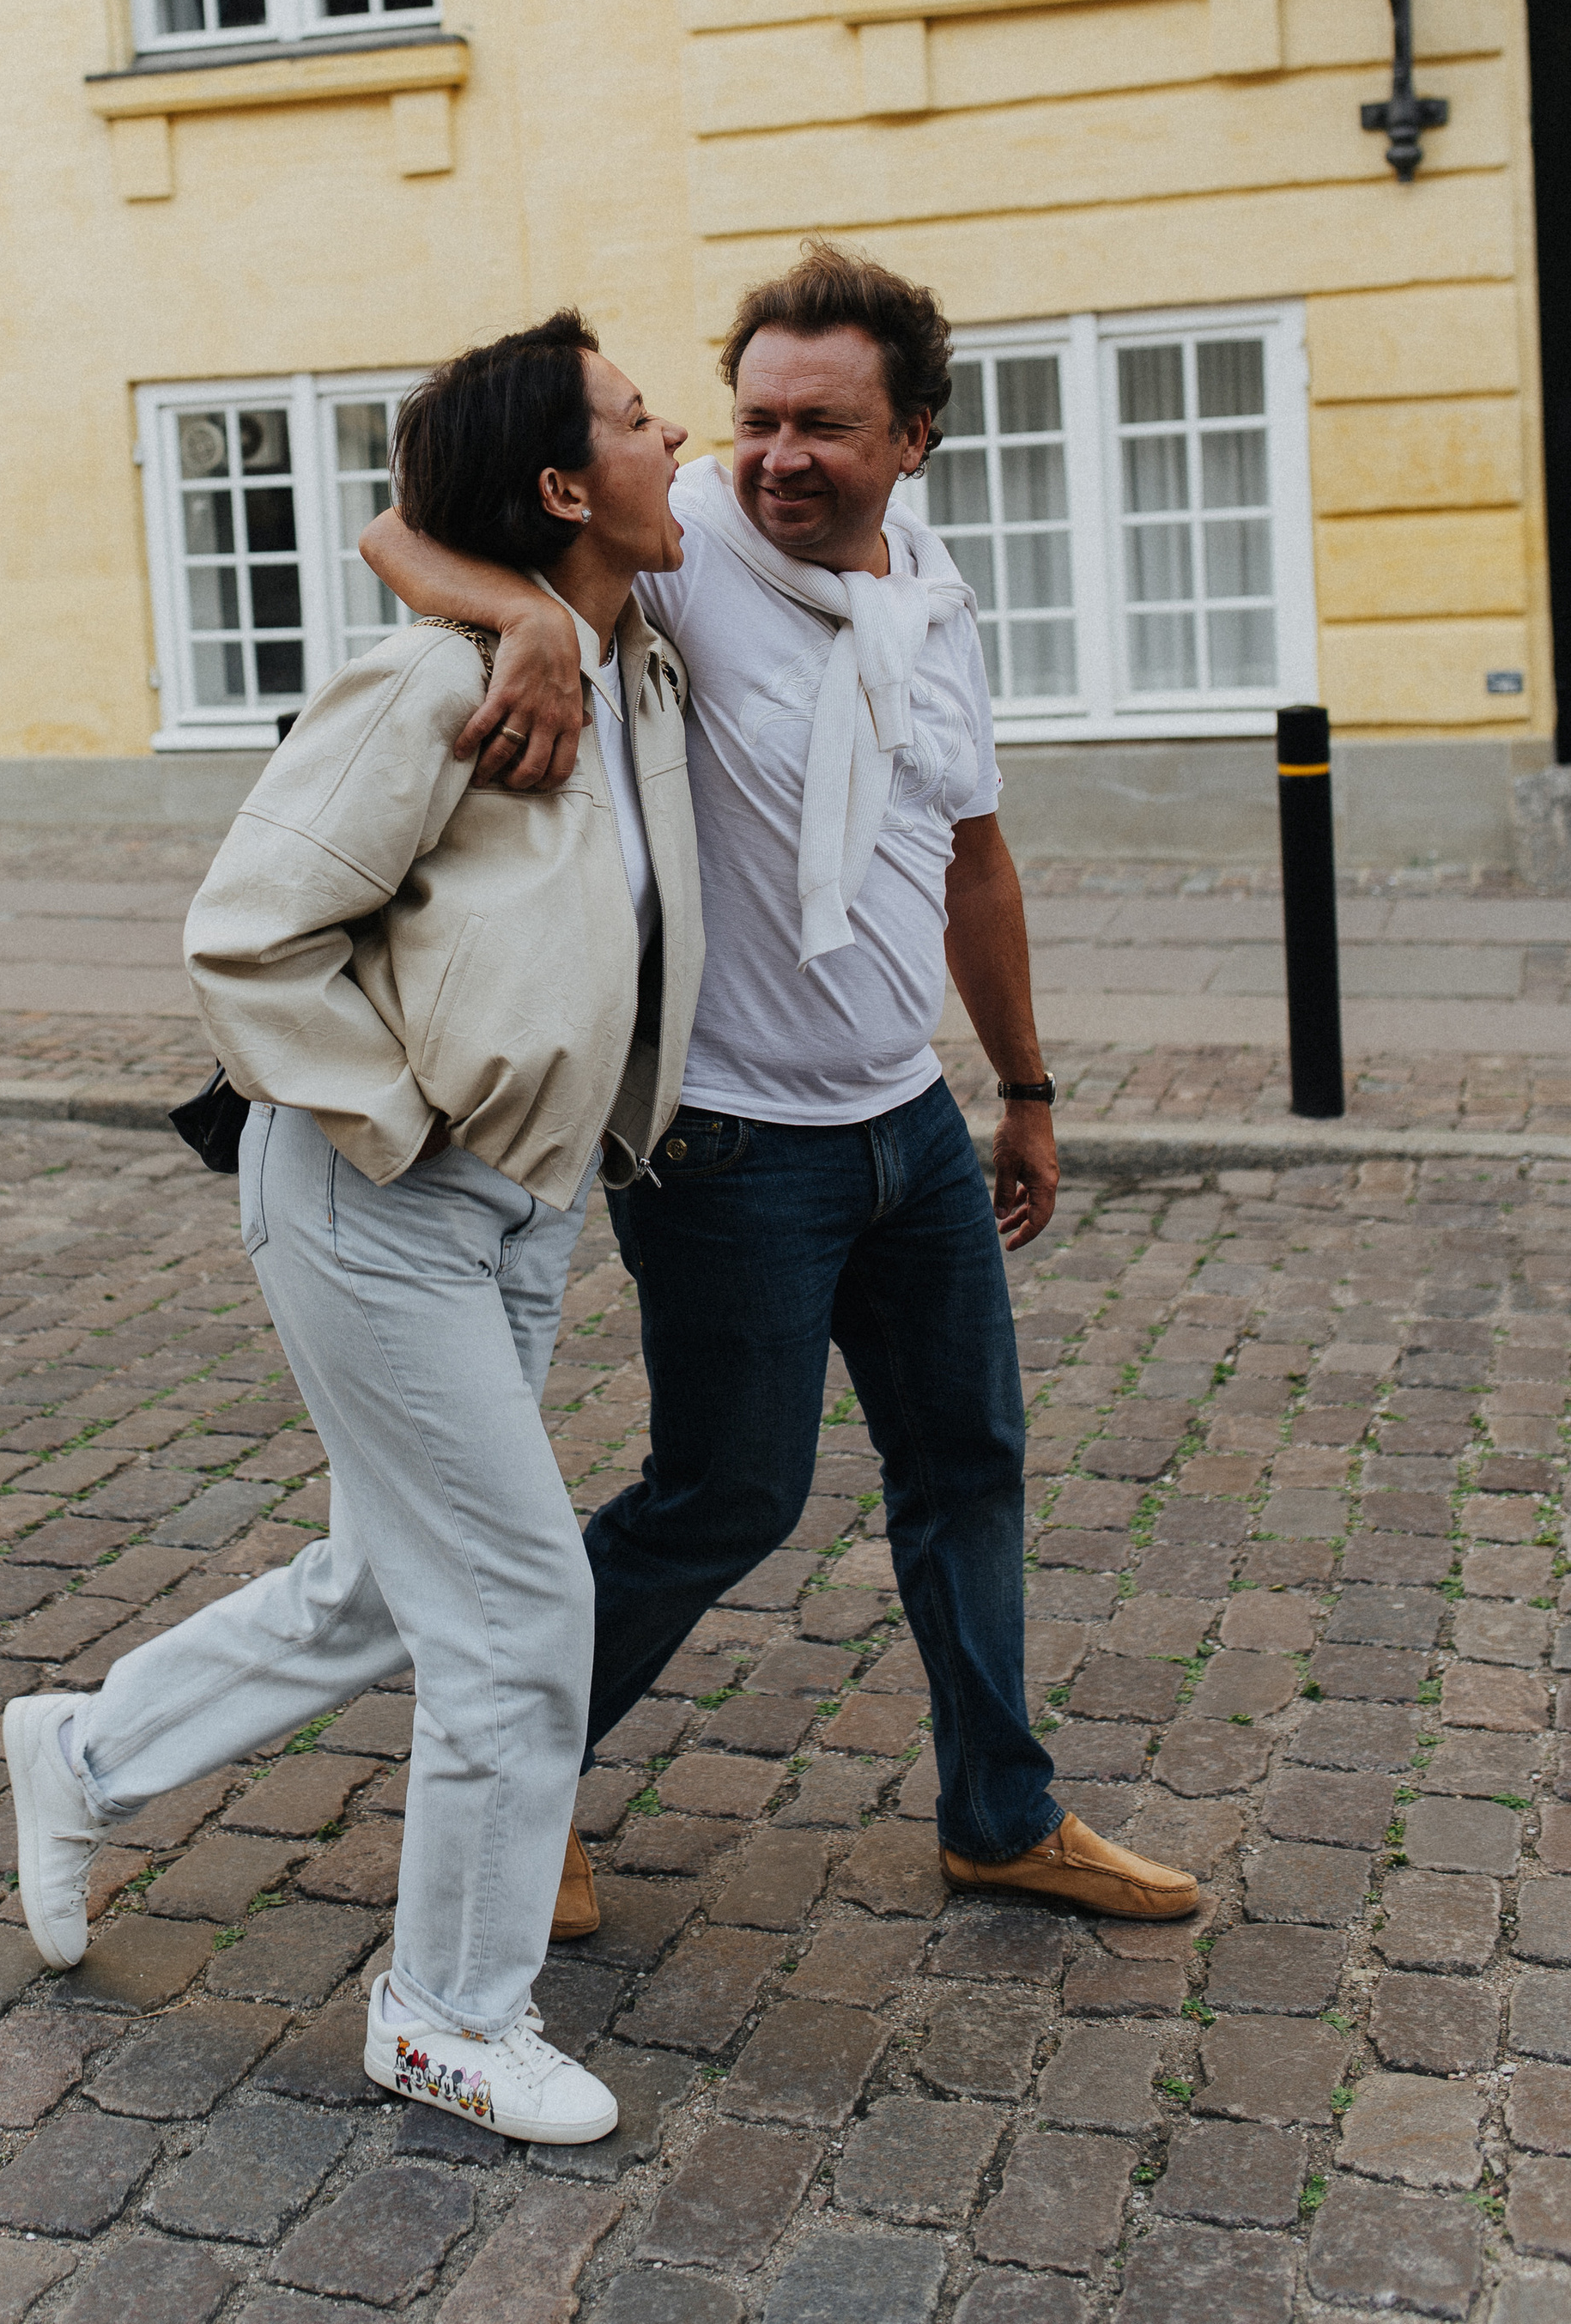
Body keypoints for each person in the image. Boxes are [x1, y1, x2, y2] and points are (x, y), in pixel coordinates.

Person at [362, 241, 1198, 1927]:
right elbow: (398, 523)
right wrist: (527, 613)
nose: (772, 456)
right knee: (726, 1494)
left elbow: (968, 857)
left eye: (821, 424)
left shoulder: (926, 597)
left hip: (902, 1124)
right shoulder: (678, 545)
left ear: (911, 440)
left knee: (965, 1461)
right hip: (729, 1142)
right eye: (752, 416)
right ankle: (501, 1781)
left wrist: (1019, 1086)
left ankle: (997, 1813)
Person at [2, 312, 705, 2144]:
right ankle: (446, 2011)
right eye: (640, 420)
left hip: (523, 1206)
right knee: (516, 1602)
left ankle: (83, 1753)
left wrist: (539, 606)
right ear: (563, 482)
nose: (676, 435)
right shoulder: (429, 689)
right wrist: (394, 1123)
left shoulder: (628, 667)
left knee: (387, 1582)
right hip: (375, 1192)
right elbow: (247, 932)